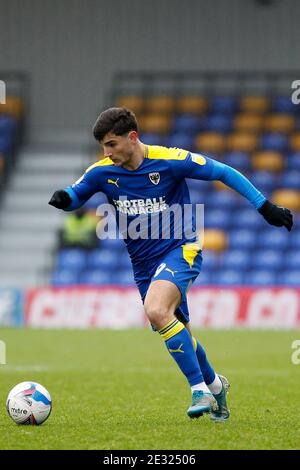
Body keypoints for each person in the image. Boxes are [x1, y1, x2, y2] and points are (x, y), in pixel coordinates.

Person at [49, 107, 293, 421]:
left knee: (155, 309)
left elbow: (223, 172)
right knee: (179, 331)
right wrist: (63, 199)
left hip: (182, 248)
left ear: (132, 137)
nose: (106, 152)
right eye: (103, 146)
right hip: (144, 265)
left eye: (111, 144)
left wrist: (264, 206)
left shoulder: (169, 160)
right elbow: (76, 194)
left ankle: (198, 390)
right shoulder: (101, 171)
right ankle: (217, 386)